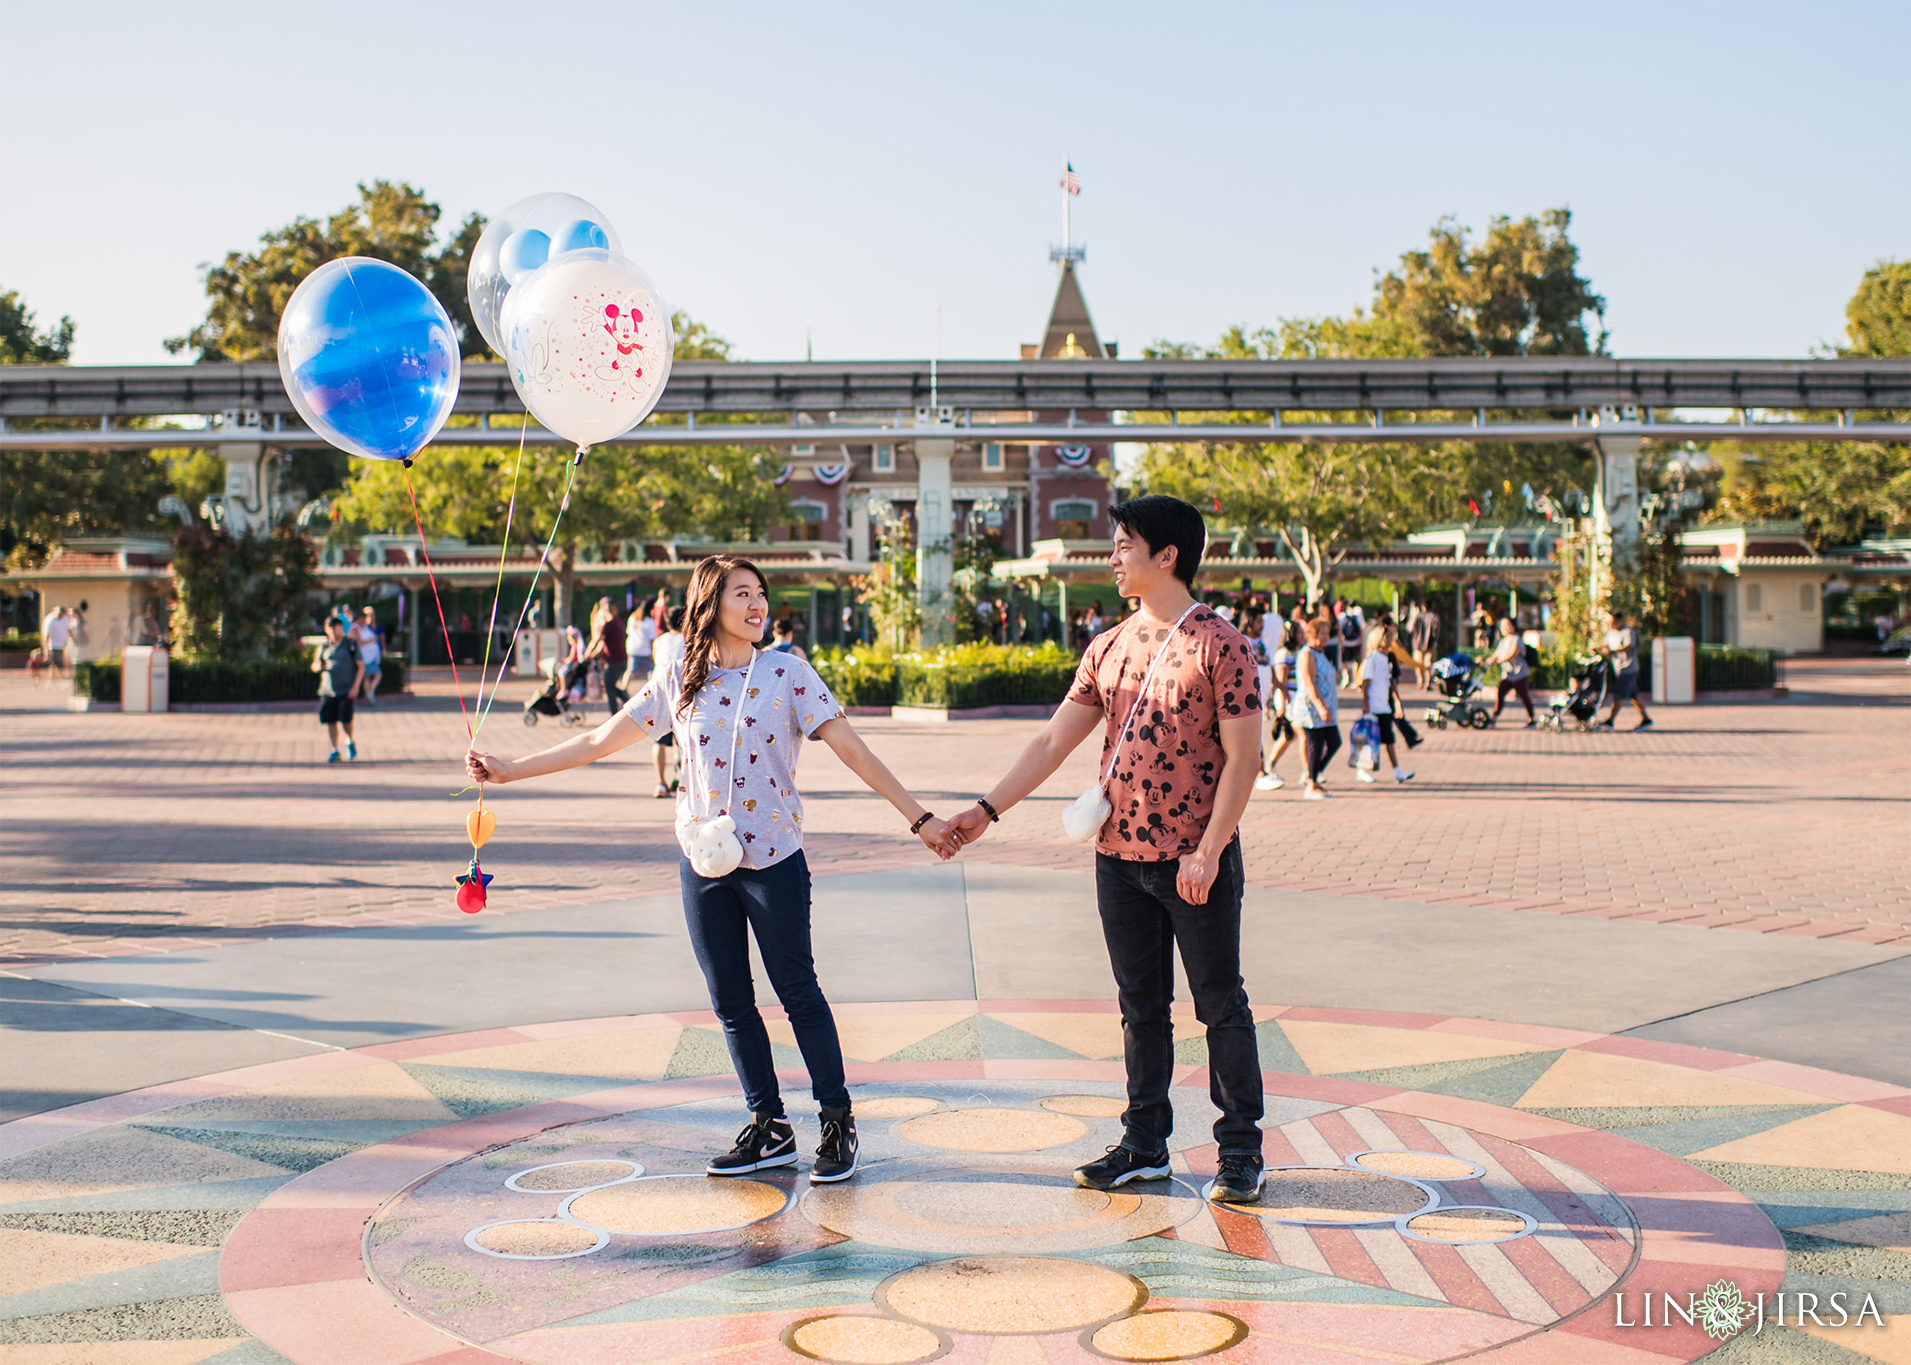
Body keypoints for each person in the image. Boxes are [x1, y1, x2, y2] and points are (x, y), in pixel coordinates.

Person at [467, 554, 959, 1186]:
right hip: (702, 859)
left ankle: (837, 1121)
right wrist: (511, 769)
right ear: (710, 604)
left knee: (797, 991)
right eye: (742, 594)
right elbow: (598, 742)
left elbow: (852, 749)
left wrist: (919, 819)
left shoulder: (788, 672)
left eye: (761, 593)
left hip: (772, 859)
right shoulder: (679, 677)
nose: (758, 606)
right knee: (730, 999)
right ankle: (769, 1125)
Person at [946, 496, 1267, 1205]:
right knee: (1138, 1008)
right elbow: (1053, 739)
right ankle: (1144, 1141)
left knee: (1219, 1002)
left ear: (1166, 556)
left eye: (1123, 544)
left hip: (1194, 861)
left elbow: (1244, 760)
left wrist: (1209, 850)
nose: (1112, 556)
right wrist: (986, 809)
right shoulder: (1108, 645)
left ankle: (1240, 1148)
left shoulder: (1223, 644)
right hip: (1117, 857)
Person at [1357, 623, 1415, 784]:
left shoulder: (1388, 658)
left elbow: (1392, 683)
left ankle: (1396, 771)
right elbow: (1366, 683)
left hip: (1384, 704)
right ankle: (1363, 769)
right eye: (1387, 636)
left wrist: (1397, 701)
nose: (1390, 639)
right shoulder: (1373, 658)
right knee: (1375, 739)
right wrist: (1365, 704)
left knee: (1387, 739)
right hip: (1374, 705)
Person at [1295, 617, 1341, 800]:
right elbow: (1309, 682)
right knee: (1316, 745)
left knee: (1334, 742)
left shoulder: (1321, 653)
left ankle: (1312, 775)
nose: (1327, 637)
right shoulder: (1307, 654)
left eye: (1328, 633)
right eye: (1323, 633)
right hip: (1311, 709)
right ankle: (1311, 784)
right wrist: (1321, 706)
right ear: (1313, 635)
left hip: (1325, 709)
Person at [1255, 619, 1302, 790]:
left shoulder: (1295, 652)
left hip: (1293, 698)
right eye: (1299, 633)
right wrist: (1281, 705)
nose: (1302, 636)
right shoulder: (1284, 654)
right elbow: (1280, 681)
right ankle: (1308, 773)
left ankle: (1270, 765)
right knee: (1298, 734)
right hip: (1288, 699)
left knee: (1291, 736)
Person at [313, 615, 364, 762]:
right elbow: (315, 664)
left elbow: (361, 666)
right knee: (331, 720)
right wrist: (318, 667)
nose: (332, 630)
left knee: (346, 720)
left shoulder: (350, 645)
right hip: (328, 689)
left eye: (334, 627)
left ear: (340, 627)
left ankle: (349, 740)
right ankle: (334, 749)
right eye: (329, 627)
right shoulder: (324, 646)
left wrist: (356, 687)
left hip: (346, 689)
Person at [650, 605, 687, 797]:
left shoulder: (659, 641)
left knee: (660, 741)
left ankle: (660, 783)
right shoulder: (690, 641)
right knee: (684, 742)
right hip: (683, 696)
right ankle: (682, 780)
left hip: (660, 693)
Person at [1599, 608, 1653, 731]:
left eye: (1613, 622)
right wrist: (1604, 650)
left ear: (1619, 621)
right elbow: (1605, 645)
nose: (1610, 624)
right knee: (1634, 696)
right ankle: (1646, 720)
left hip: (1628, 669)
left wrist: (1614, 650)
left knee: (1617, 695)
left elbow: (1629, 646)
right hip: (1618, 669)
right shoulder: (1610, 632)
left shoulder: (1628, 631)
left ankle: (1610, 721)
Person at [1486, 617, 1536, 727]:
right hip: (1507, 674)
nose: (1506, 628)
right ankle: (1493, 718)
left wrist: (1499, 661)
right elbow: (1496, 654)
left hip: (1519, 674)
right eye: (1503, 626)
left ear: (1513, 627)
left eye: (1508, 625)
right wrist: (1487, 660)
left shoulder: (1516, 639)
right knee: (1500, 694)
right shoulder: (1502, 642)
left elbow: (1513, 654)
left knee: (1523, 696)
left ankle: (1532, 718)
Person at [585, 599, 629, 714]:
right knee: (611, 685)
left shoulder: (608, 624)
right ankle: (629, 702)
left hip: (613, 660)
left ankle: (615, 712)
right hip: (621, 659)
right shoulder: (618, 622)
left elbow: (598, 640)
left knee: (609, 687)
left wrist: (589, 654)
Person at [623, 595, 658, 694]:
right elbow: (652, 639)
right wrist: (653, 653)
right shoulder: (650, 622)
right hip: (645, 650)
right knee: (651, 672)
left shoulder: (633, 618)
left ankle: (623, 688)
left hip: (633, 649)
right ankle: (653, 691)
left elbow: (628, 632)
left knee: (630, 671)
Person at [352, 607, 384, 706]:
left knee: (374, 675)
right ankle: (369, 694)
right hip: (364, 657)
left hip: (371, 656)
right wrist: (372, 640)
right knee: (367, 676)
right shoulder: (355, 628)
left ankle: (370, 693)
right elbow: (359, 642)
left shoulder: (365, 627)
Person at [1409, 602, 1439, 688]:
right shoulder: (1434, 616)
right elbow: (1436, 631)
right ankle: (1427, 681)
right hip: (1429, 644)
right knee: (1428, 664)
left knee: (1418, 663)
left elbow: (1410, 628)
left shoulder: (1418, 616)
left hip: (1417, 643)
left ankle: (1420, 680)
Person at [41, 607, 70, 684]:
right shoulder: (51, 620)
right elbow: (47, 635)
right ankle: (62, 680)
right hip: (54, 646)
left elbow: (68, 629)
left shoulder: (65, 619)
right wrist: (46, 649)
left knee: (55, 665)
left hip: (62, 645)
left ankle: (51, 682)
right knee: (57, 664)